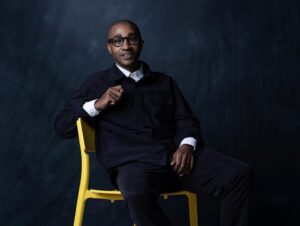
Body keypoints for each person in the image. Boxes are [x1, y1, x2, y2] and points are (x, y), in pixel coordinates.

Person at [54, 19, 252, 226]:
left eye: (132, 39)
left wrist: (187, 145)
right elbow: (62, 127)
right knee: (136, 193)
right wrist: (98, 104)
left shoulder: (164, 82)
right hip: (134, 166)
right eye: (118, 41)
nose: (126, 46)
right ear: (109, 48)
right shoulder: (96, 83)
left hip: (177, 162)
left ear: (141, 43)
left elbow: (186, 120)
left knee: (238, 174)